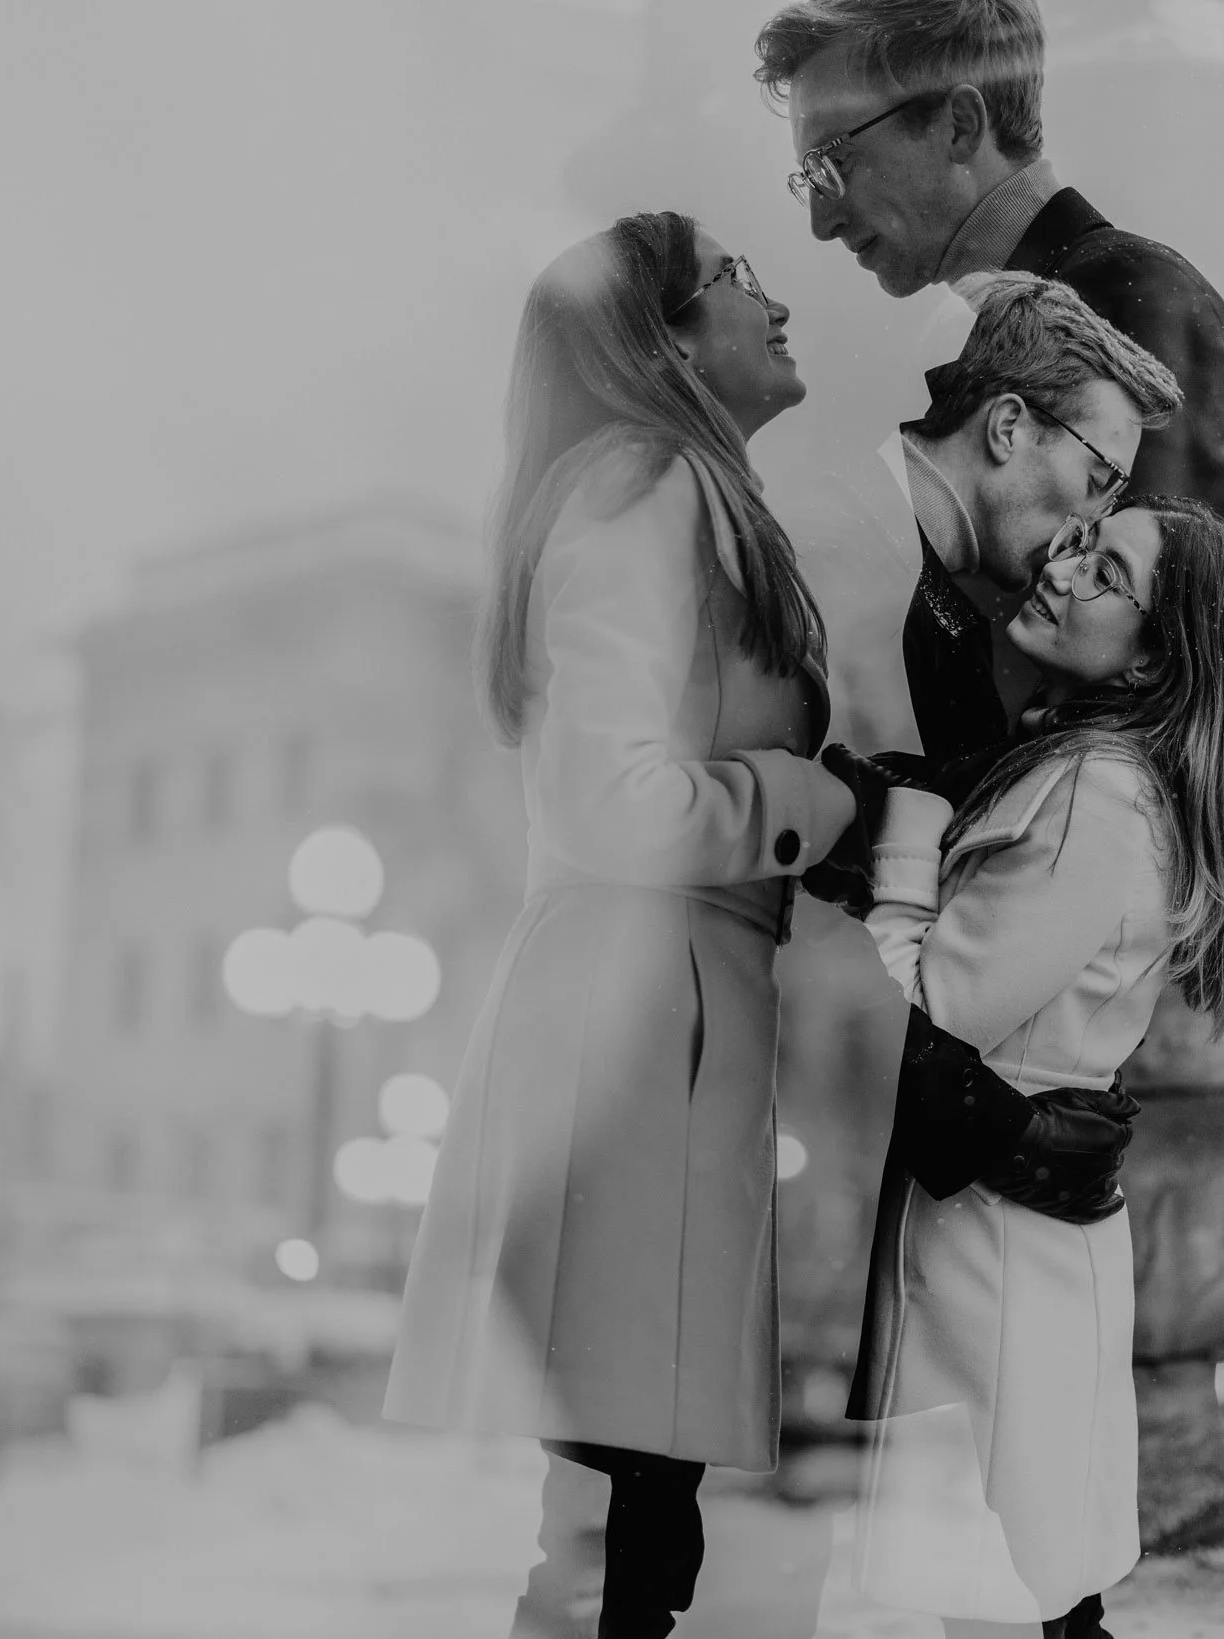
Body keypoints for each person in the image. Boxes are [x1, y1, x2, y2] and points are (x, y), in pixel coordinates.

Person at [756, 0, 1224, 1583]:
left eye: (836, 156)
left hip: (1096, 1088)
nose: (815, 210)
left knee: (1124, 1518)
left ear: (960, 120)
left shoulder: (1119, 325)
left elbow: (1191, 698)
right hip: (1053, 1067)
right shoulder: (1045, 340)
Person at [382, 211, 860, 1639]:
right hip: (637, 1026)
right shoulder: (645, 490)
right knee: (617, 1532)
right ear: (663, 338)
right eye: (732, 280)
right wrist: (808, 806)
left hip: (660, 1023)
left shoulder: (674, 493)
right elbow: (614, 801)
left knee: (623, 1521)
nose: (774, 298)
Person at [846, 499, 1224, 1639]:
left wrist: (899, 834)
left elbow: (940, 999)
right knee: (1032, 1582)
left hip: (993, 1254)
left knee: (996, 1586)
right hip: (1027, 1249)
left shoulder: (1094, 795)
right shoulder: (1103, 772)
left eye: (1107, 570)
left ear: (1157, 651)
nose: (1062, 565)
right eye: (1083, 539)